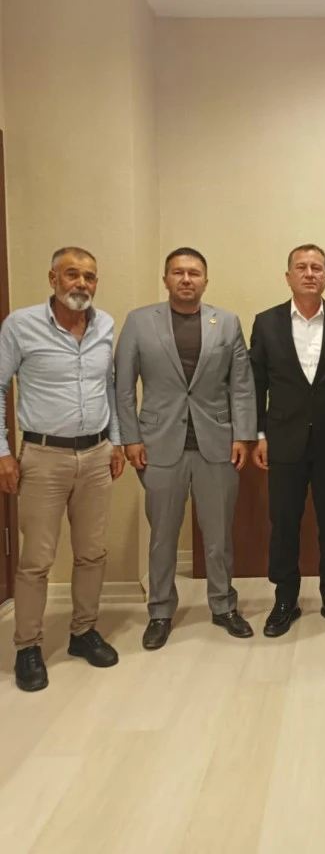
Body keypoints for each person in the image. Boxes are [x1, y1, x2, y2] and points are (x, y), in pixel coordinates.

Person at [114, 247, 257, 649]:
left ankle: (223, 605)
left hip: (218, 443)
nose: (186, 279)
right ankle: (160, 611)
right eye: (178, 272)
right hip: (158, 444)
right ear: (166, 280)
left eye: (194, 273)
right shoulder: (139, 321)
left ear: (206, 281)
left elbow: (241, 384)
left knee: (218, 535)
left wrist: (243, 436)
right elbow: (123, 386)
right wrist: (130, 438)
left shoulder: (226, 322)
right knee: (162, 535)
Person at [0, 247, 125, 692]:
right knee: (36, 559)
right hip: (43, 457)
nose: (82, 284)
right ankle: (28, 646)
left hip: (96, 454)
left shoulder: (105, 325)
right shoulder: (20, 325)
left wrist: (115, 440)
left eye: (89, 277)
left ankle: (83, 631)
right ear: (53, 278)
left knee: (92, 551)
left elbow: (108, 386)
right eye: (72, 274)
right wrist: (3, 452)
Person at [250, 244, 325, 637]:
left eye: (317, 267)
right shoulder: (266, 323)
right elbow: (256, 384)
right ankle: (285, 599)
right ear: (288, 276)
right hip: (283, 441)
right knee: (284, 524)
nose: (309, 273)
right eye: (301, 267)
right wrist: (259, 434)